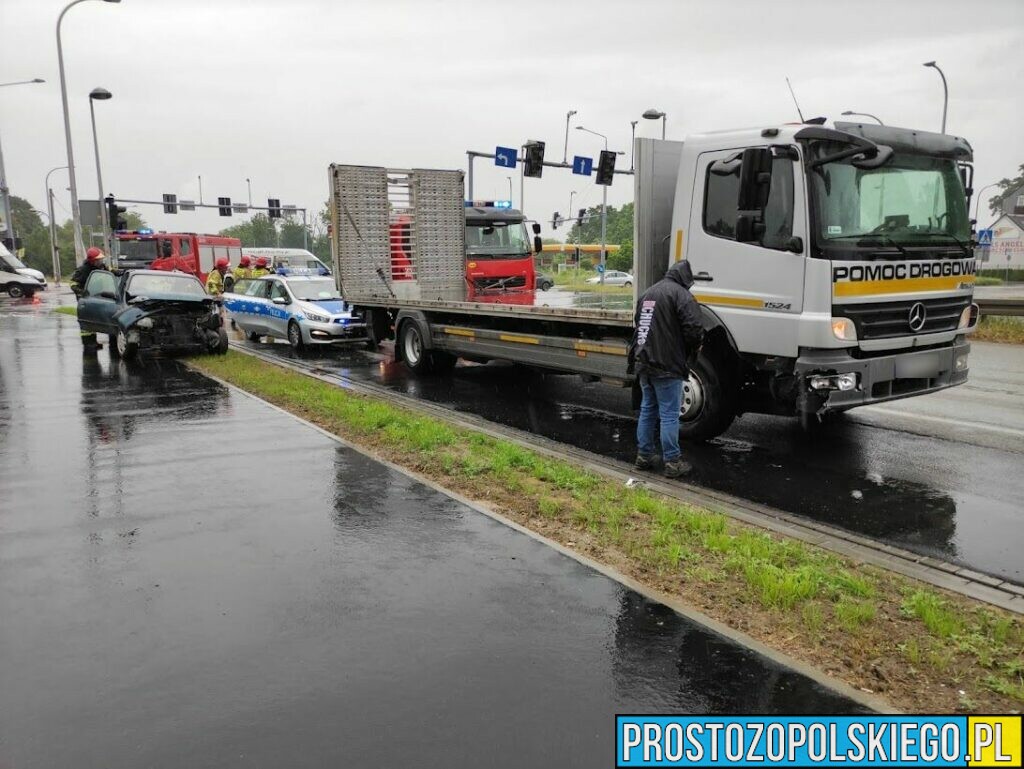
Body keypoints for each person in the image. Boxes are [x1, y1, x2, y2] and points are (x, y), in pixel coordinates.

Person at [627, 260, 704, 478]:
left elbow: (639, 324)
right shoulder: (681, 295)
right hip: (667, 364)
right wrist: (695, 348)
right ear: (686, 278)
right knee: (670, 414)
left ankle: (644, 456)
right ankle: (672, 461)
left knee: (648, 409)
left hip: (644, 362)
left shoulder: (648, 293)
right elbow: (693, 328)